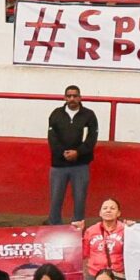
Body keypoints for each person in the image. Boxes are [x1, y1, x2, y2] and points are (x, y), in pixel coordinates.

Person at [47, 85, 99, 223]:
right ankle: (54, 227)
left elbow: (91, 138)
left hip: (81, 165)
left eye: (75, 96)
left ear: (80, 97)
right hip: (58, 165)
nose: (72, 99)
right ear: (64, 97)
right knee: (55, 200)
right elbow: (52, 138)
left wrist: (78, 153)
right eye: (69, 96)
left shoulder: (89, 115)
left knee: (80, 199)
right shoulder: (56, 114)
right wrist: (63, 154)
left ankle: (77, 227)